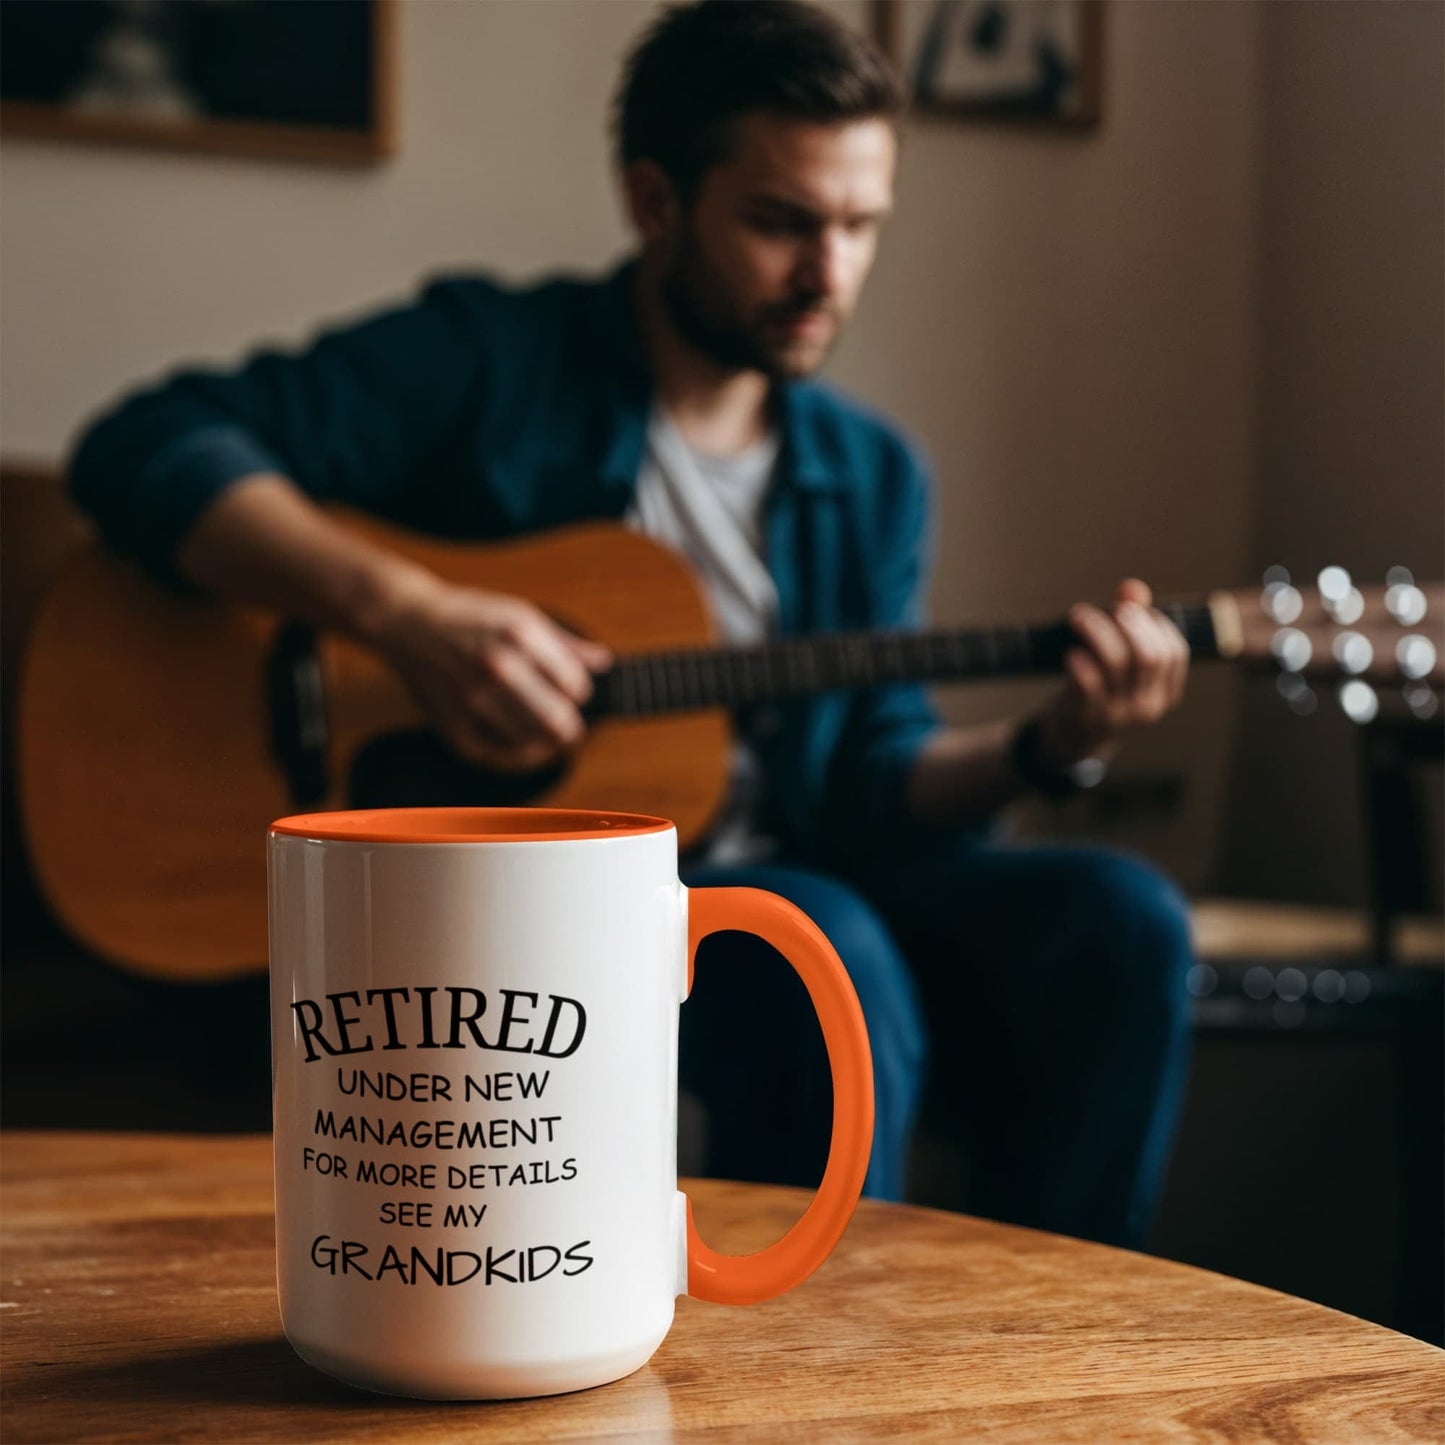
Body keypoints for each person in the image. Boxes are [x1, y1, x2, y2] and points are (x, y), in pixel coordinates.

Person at [69, 0, 1193, 1249]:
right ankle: (799, 1339)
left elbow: (875, 773)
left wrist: (1050, 743)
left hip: (803, 882)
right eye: (782, 222)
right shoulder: (491, 362)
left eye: (860, 225)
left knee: (1122, 917)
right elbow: (147, 441)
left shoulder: (873, 474)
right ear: (656, 202)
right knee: (820, 939)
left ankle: (1075, 1318)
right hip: (553, 909)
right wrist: (409, 612)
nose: (828, 274)